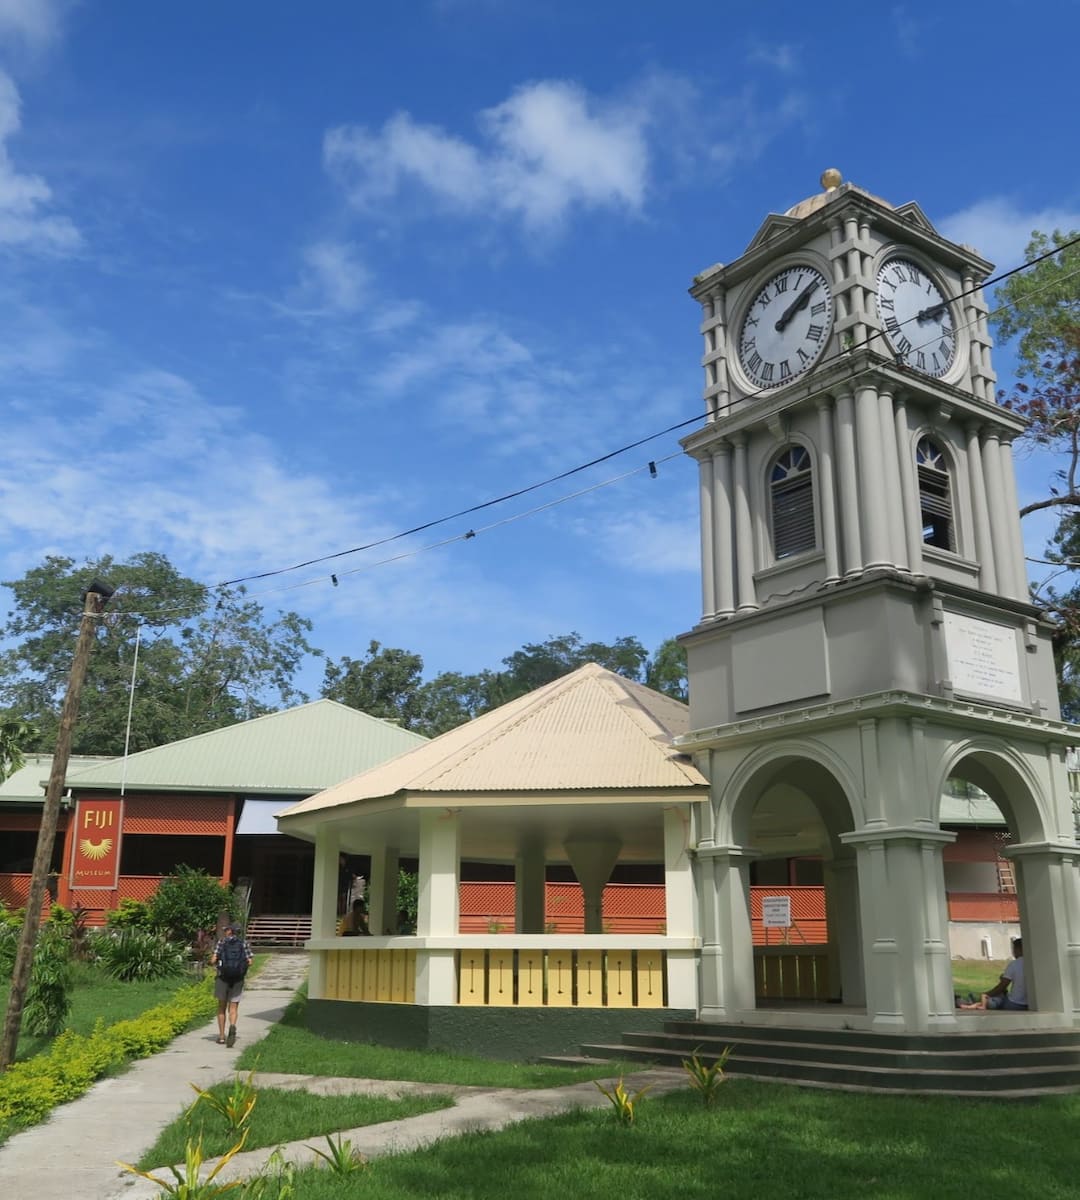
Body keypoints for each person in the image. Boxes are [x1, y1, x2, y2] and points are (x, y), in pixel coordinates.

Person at [209, 922, 254, 1046]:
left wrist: (214, 962)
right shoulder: (244, 943)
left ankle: (222, 1036)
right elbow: (250, 962)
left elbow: (213, 960)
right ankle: (232, 1026)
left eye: (226, 930)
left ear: (229, 931)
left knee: (221, 1007)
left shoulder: (222, 943)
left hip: (222, 978)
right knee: (233, 1007)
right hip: (238, 979)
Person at [959, 938, 1027, 1011]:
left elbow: (1002, 987)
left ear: (1018, 949)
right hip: (1028, 1004)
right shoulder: (1033, 963)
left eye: (1013, 949)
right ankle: (973, 1004)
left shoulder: (1014, 964)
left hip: (1014, 1004)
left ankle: (972, 1002)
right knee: (999, 996)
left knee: (995, 999)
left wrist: (987, 994)